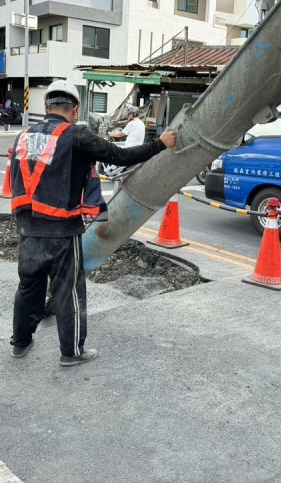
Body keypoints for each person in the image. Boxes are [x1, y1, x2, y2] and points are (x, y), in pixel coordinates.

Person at [10, 80, 177, 367]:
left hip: (28, 229)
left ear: (46, 106)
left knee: (28, 287)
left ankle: (21, 343)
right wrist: (160, 144)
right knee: (68, 291)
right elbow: (120, 156)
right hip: (62, 231)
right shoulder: (77, 135)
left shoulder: (23, 137)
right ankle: (71, 353)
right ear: (74, 110)